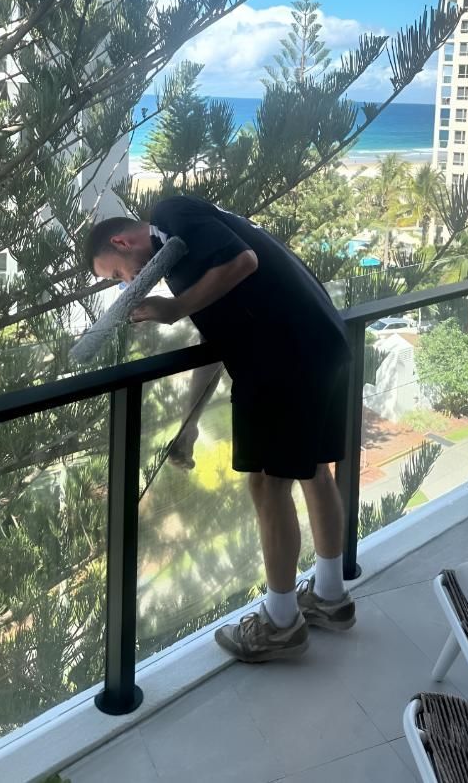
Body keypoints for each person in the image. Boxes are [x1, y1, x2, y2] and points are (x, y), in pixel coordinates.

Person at [84, 195, 356, 663]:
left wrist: (172, 308)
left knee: (268, 486)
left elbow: (243, 261)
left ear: (121, 240)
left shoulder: (170, 216)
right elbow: (218, 338)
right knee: (313, 470)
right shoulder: (185, 256)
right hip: (321, 342)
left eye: (115, 274)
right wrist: (189, 425)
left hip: (284, 359)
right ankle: (330, 597)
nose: (126, 283)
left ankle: (281, 622)